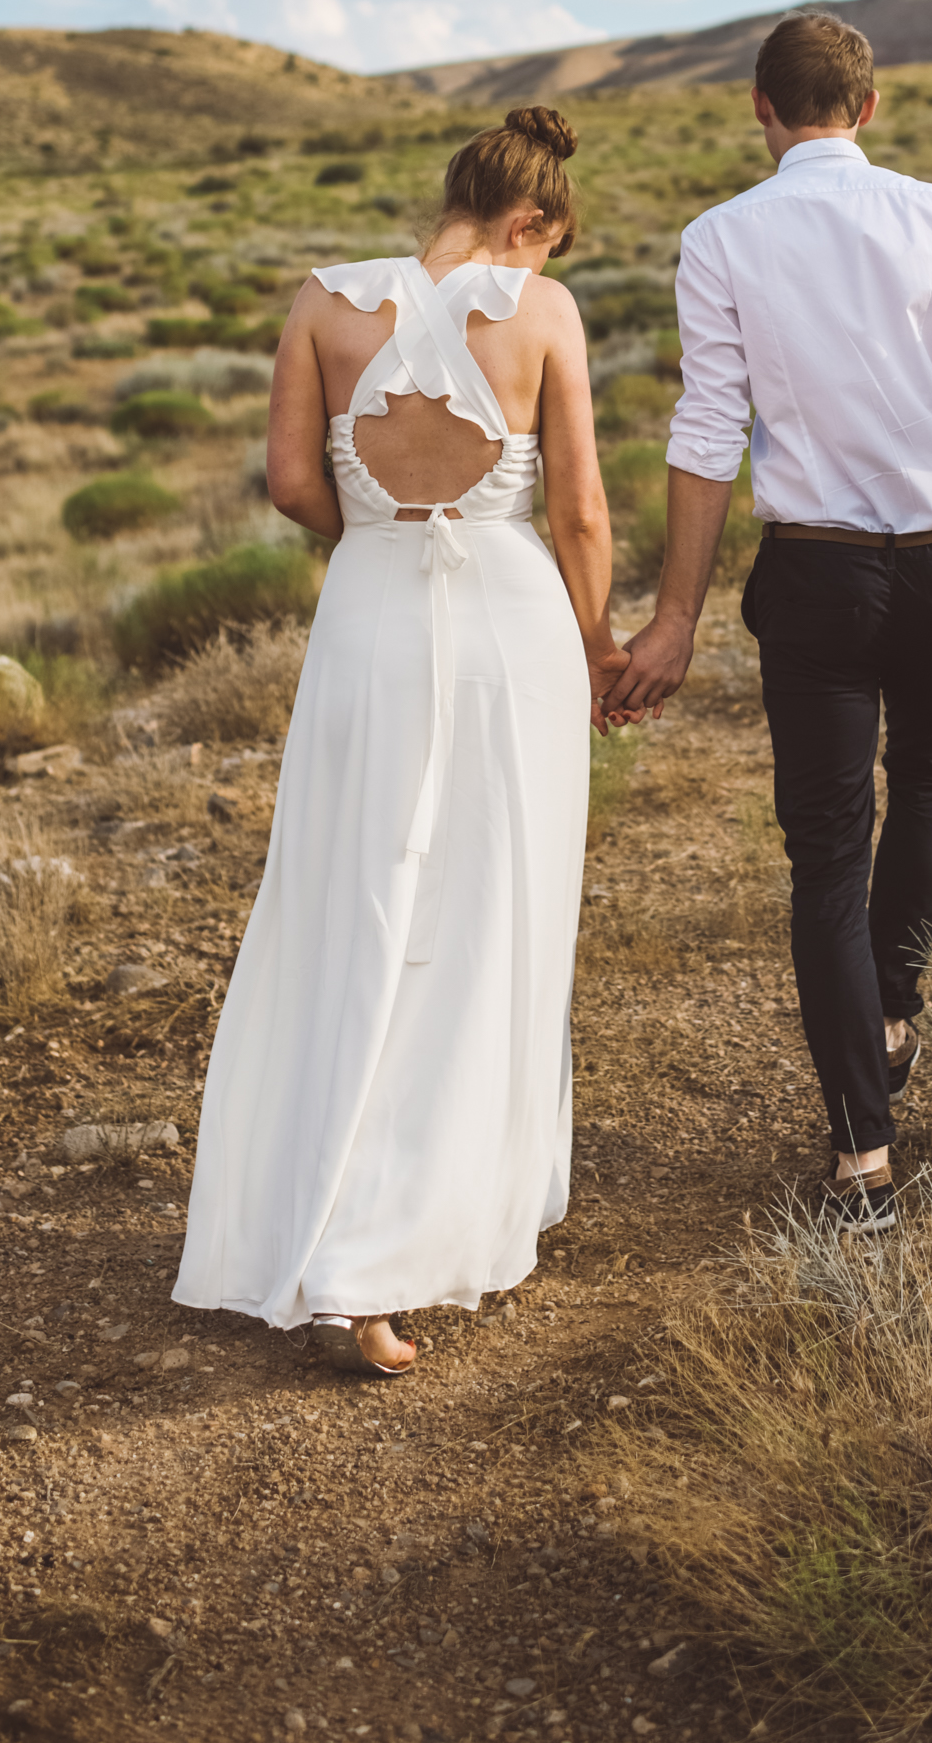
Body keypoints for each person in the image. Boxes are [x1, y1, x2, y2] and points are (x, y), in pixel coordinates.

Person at [173, 107, 625, 1375]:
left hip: (367, 615)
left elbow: (288, 483)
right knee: (491, 905)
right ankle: (405, 1235)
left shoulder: (323, 303)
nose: (535, 266)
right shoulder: (545, 314)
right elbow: (581, 508)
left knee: (351, 895)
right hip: (509, 627)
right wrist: (598, 643)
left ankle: (333, 1225)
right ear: (529, 223)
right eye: (545, 244)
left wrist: (377, 536)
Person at [606, 12, 932, 1233]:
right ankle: (893, 1007)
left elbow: (707, 432)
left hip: (818, 577)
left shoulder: (720, 238)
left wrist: (676, 616)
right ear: (870, 103)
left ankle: (863, 1159)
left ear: (761, 107)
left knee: (828, 855)